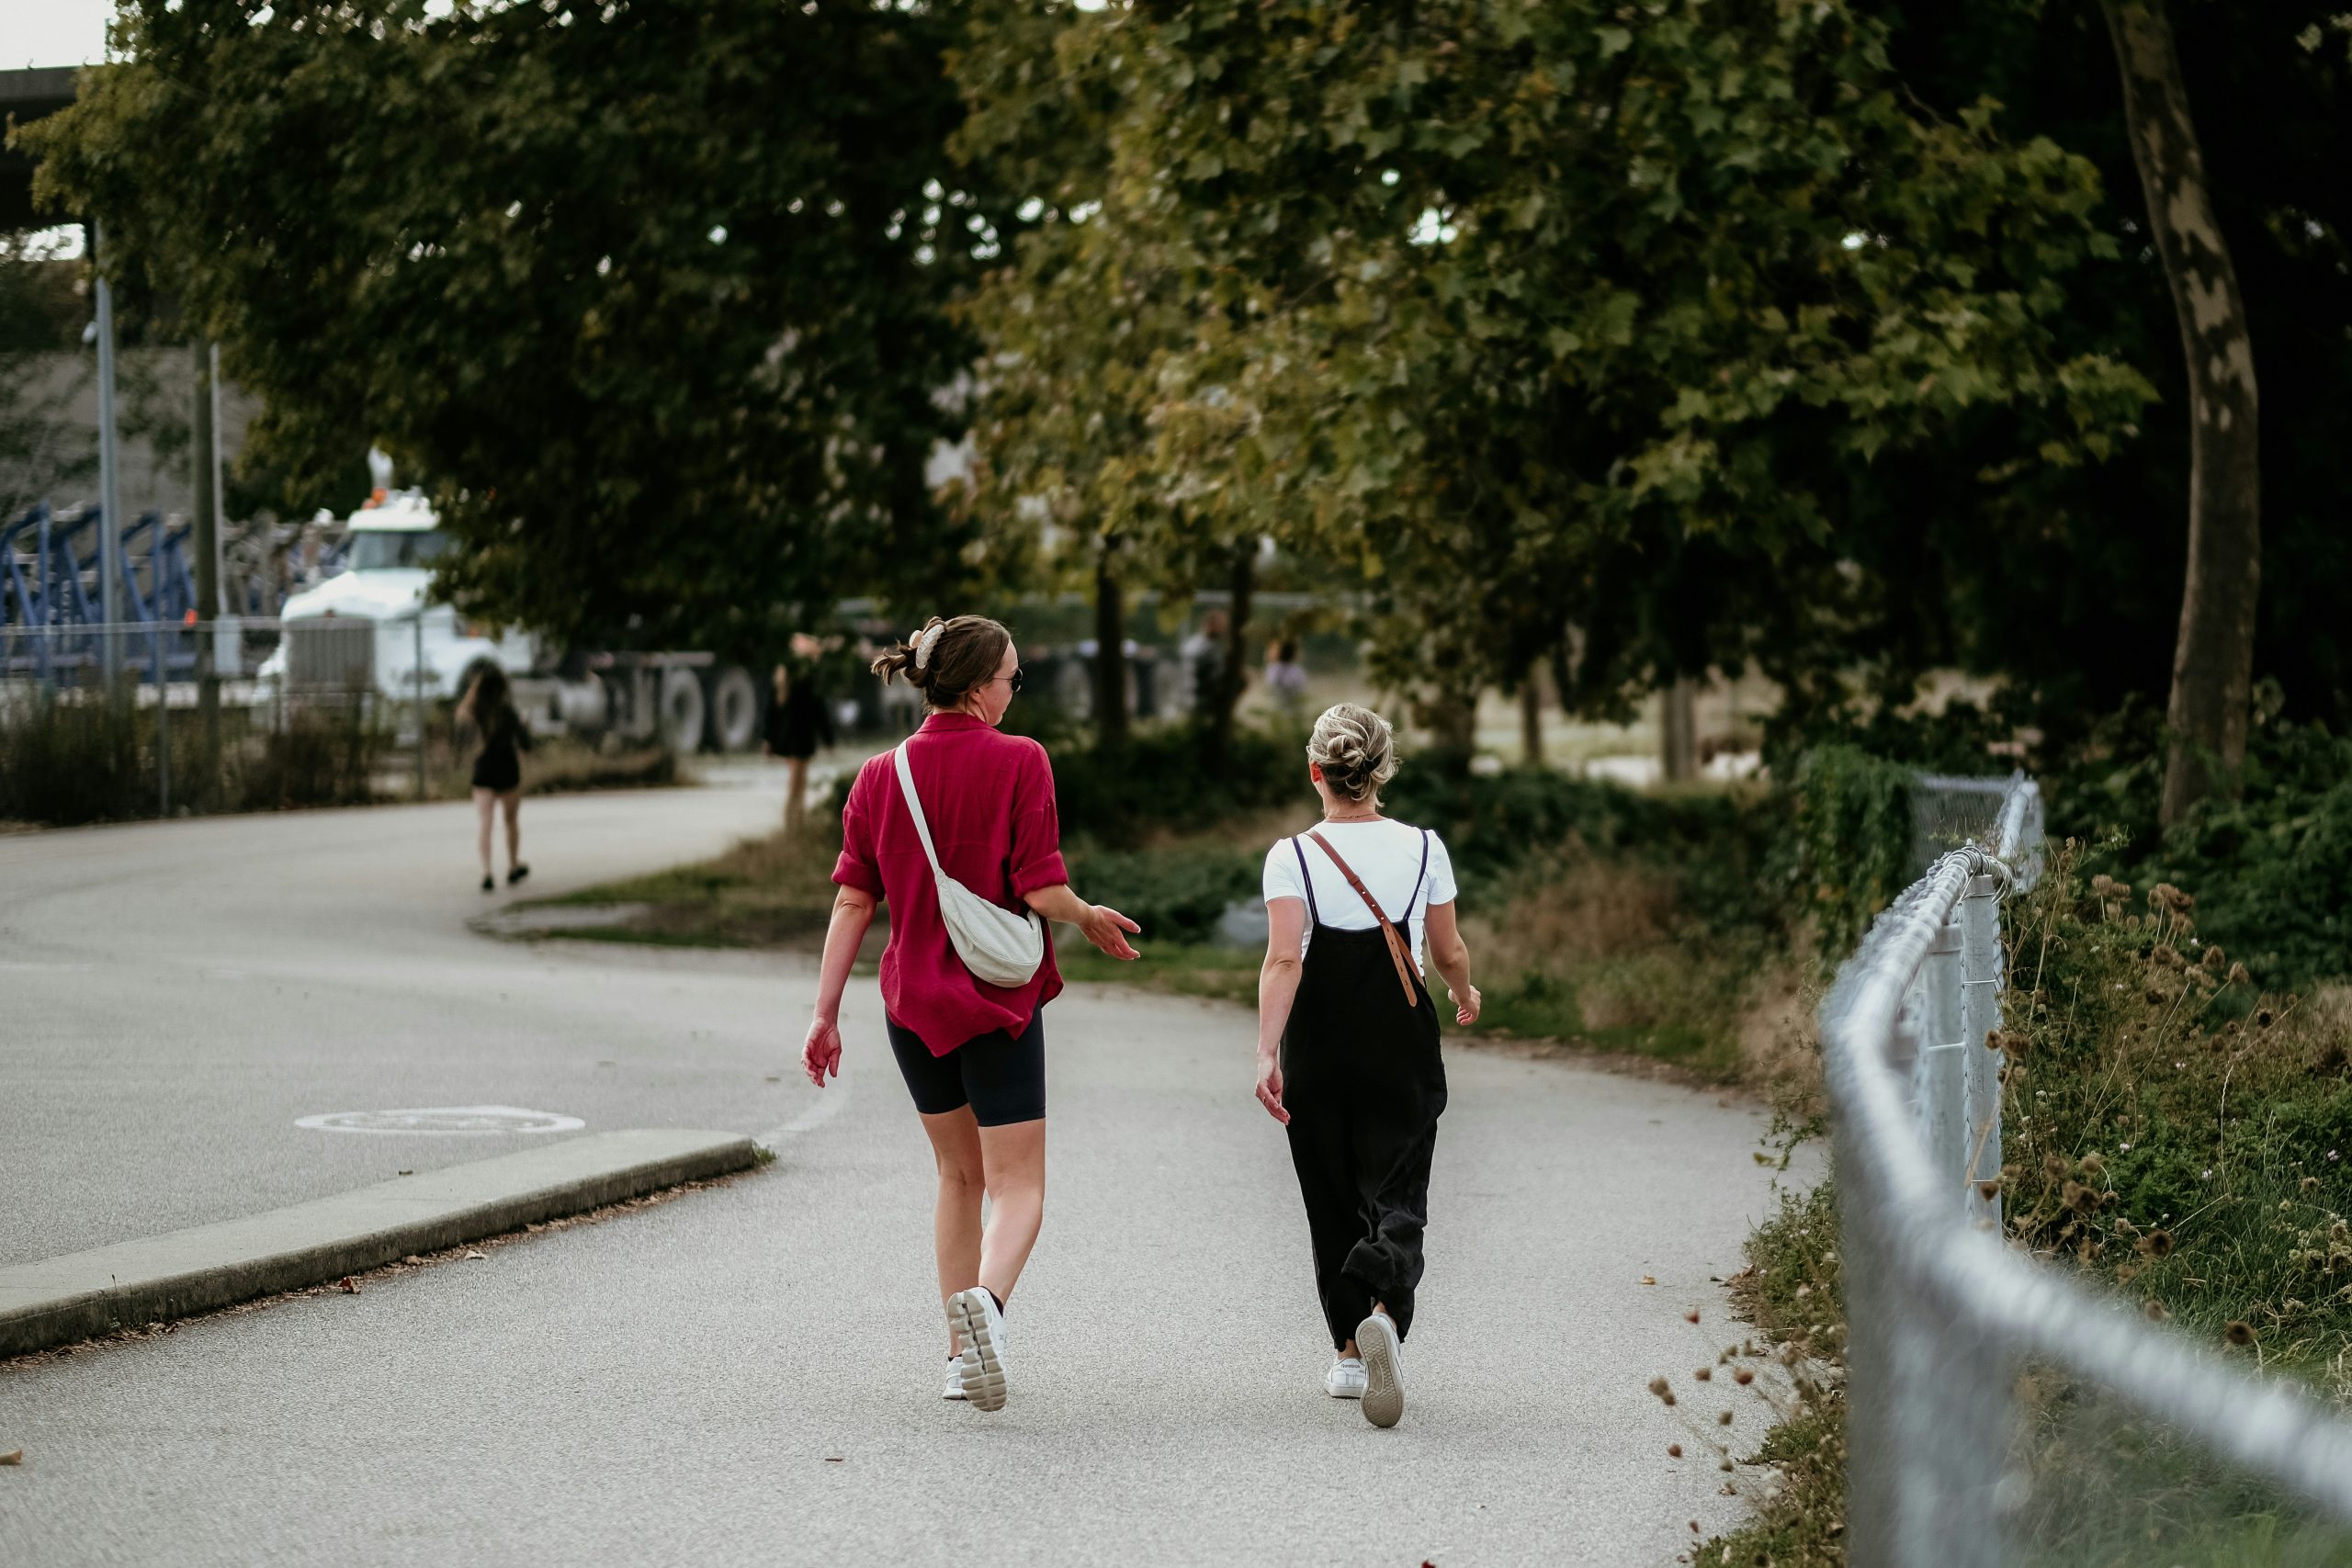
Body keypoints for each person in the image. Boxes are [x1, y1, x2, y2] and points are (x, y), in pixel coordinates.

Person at [800, 614, 1142, 1411]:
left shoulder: (878, 776)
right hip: (998, 1007)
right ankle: (987, 1307)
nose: (1015, 691)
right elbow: (1039, 891)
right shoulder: (1022, 762)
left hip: (910, 1007)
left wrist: (825, 1014)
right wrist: (1086, 914)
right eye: (1012, 679)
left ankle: (959, 1359)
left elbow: (853, 902)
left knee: (957, 1175)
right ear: (981, 686)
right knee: (1019, 1187)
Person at [1252, 703, 1479, 1429]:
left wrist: (1267, 1049)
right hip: (1399, 1031)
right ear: (1381, 770)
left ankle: (1351, 1350)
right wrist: (1464, 989)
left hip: (1318, 1041)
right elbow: (1446, 949)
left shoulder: (1291, 854)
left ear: (1316, 770)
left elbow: (1285, 958)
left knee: (1329, 1190)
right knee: (1399, 1177)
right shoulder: (1424, 846)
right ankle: (1387, 1301)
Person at [458, 665, 531, 893]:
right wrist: (525, 725)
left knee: (485, 824)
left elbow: (461, 744)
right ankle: (512, 865)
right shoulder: (507, 713)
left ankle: (487, 872)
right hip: (507, 772)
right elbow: (526, 743)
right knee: (510, 821)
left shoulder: (470, 713)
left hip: (483, 773)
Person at [766, 633, 837, 832]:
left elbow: (772, 710)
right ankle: (794, 823)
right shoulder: (806, 678)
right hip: (800, 734)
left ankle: (794, 821)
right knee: (798, 781)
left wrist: (769, 738)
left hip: (790, 734)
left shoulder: (786, 676)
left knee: (797, 780)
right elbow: (818, 710)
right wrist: (828, 739)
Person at [1263, 638, 1309, 722]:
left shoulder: (1273, 669)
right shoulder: (1296, 670)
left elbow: (1271, 686)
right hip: (1290, 705)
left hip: (1280, 705)